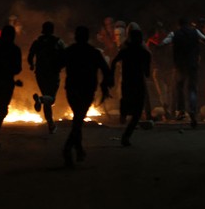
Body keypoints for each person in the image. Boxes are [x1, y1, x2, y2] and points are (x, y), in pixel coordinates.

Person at [58, 26, 112, 167]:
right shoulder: (93, 53)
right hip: (87, 90)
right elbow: (106, 71)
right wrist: (105, 85)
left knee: (78, 118)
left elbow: (57, 65)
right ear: (87, 37)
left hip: (72, 89)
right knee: (78, 119)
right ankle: (68, 149)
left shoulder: (70, 51)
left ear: (76, 37)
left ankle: (78, 149)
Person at [161, 16, 205, 127]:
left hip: (180, 65)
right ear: (187, 24)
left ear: (179, 25)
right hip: (192, 64)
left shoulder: (174, 34)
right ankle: (192, 112)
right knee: (192, 88)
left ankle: (181, 111)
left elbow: (163, 43)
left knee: (179, 88)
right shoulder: (195, 32)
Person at [110, 27, 151, 146]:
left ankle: (123, 114)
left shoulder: (126, 50)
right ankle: (126, 135)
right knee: (137, 112)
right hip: (137, 82)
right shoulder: (144, 53)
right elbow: (147, 73)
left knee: (128, 102)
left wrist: (111, 76)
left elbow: (114, 62)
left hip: (128, 82)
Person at [27, 21, 65, 134]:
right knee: (51, 98)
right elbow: (66, 55)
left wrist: (32, 65)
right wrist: (60, 66)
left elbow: (30, 56)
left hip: (40, 74)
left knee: (46, 96)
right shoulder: (58, 41)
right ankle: (41, 100)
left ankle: (50, 124)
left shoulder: (37, 42)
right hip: (53, 73)